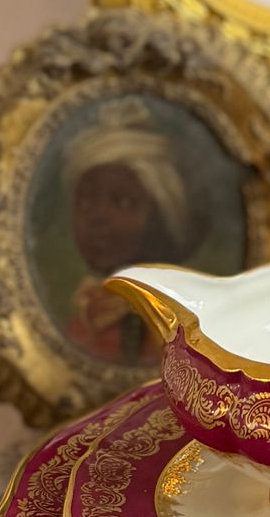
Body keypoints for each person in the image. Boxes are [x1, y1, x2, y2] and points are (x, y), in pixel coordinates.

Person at [59, 105, 199, 363]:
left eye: (123, 202)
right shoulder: (87, 320)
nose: (97, 217)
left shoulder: (178, 326)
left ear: (162, 216)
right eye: (86, 201)